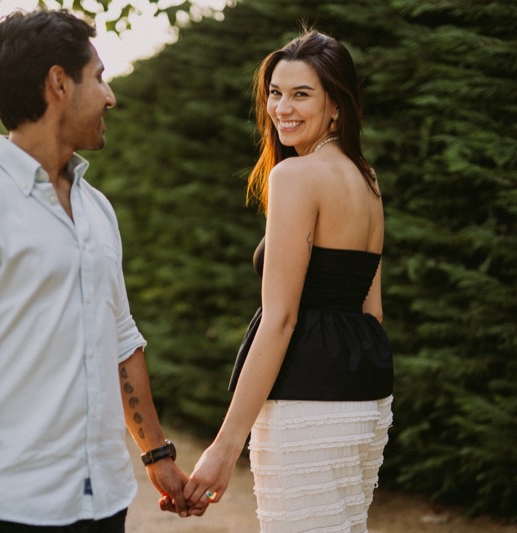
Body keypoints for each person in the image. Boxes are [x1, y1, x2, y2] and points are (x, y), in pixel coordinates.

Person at [0, 9, 201, 532]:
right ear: (58, 83)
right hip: (15, 507)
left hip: (105, 500)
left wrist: (157, 456)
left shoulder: (98, 210)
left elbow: (121, 339)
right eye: (99, 77)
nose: (111, 97)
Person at [182, 29, 394, 532]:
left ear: (337, 105)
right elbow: (373, 312)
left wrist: (224, 446)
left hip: (307, 404)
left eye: (302, 94)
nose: (282, 108)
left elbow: (280, 320)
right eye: (276, 93)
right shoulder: (366, 179)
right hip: (367, 402)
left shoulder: (294, 178)